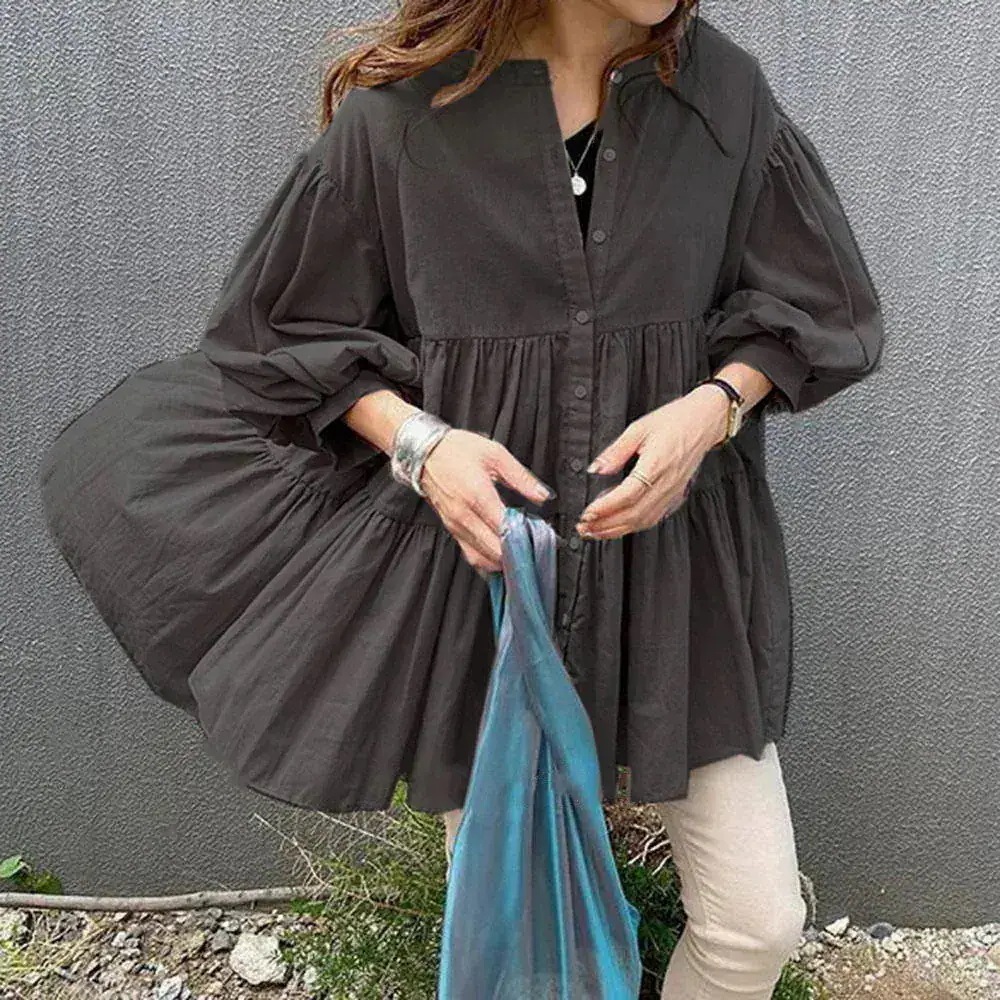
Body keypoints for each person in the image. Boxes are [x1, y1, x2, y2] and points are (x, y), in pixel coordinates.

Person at [157, 2, 882, 997]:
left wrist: (714, 408)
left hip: (678, 583)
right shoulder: (406, 114)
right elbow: (277, 331)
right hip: (488, 592)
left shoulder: (722, 99)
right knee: (528, 950)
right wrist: (422, 446)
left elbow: (818, 303)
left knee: (756, 923)